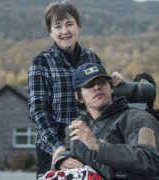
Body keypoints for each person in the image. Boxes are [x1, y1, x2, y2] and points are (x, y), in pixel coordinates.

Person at [28, 1, 124, 177]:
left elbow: (99, 99)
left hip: (88, 143)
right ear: (50, 32)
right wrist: (59, 150)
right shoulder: (41, 62)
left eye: (69, 24)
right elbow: (38, 111)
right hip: (52, 147)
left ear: (79, 26)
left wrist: (113, 84)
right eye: (58, 26)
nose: (65, 31)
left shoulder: (91, 57)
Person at [52, 63, 159, 180]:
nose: (97, 87)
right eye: (89, 85)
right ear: (79, 97)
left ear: (111, 88)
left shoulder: (139, 119)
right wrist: (61, 161)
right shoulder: (76, 127)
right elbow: (66, 153)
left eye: (102, 82)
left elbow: (147, 161)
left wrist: (98, 146)